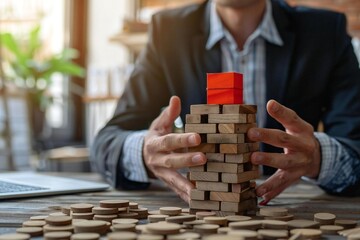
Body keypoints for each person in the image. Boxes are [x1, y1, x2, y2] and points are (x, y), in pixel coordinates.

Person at [91, 0, 360, 204]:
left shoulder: (326, 31)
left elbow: (355, 143)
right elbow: (106, 143)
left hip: (294, 208)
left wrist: (318, 158)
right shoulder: (168, 31)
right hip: (205, 206)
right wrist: (146, 152)